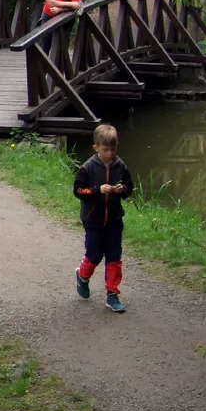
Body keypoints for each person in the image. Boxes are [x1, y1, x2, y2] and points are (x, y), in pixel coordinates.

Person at [73, 124, 135, 313]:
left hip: (115, 219)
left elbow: (129, 187)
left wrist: (121, 189)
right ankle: (82, 276)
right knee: (94, 255)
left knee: (114, 257)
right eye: (105, 149)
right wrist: (97, 190)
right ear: (96, 148)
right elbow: (78, 190)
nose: (109, 154)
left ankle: (112, 294)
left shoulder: (120, 166)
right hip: (93, 220)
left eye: (113, 149)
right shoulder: (87, 168)